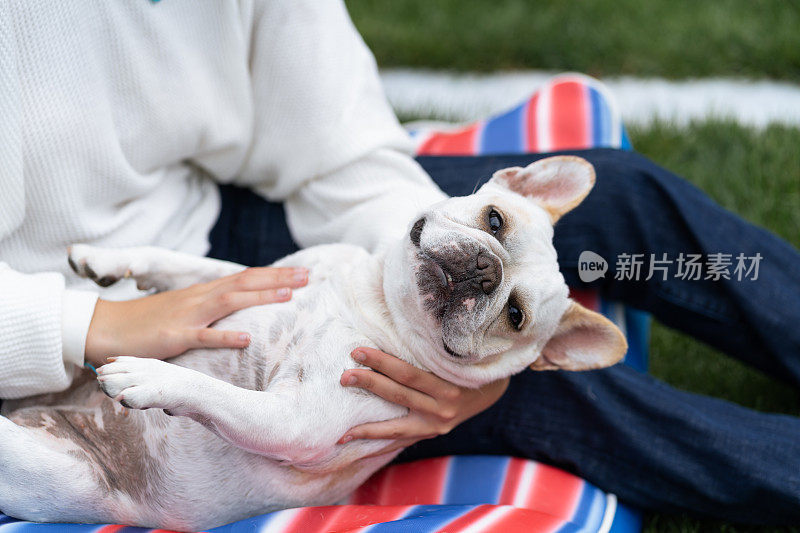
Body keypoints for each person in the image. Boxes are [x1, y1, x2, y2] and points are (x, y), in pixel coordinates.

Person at [0, 0, 798, 525]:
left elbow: (337, 144)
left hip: (197, 223)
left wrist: (425, 317)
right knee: (572, 401)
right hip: (38, 309)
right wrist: (87, 321)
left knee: (618, 194)